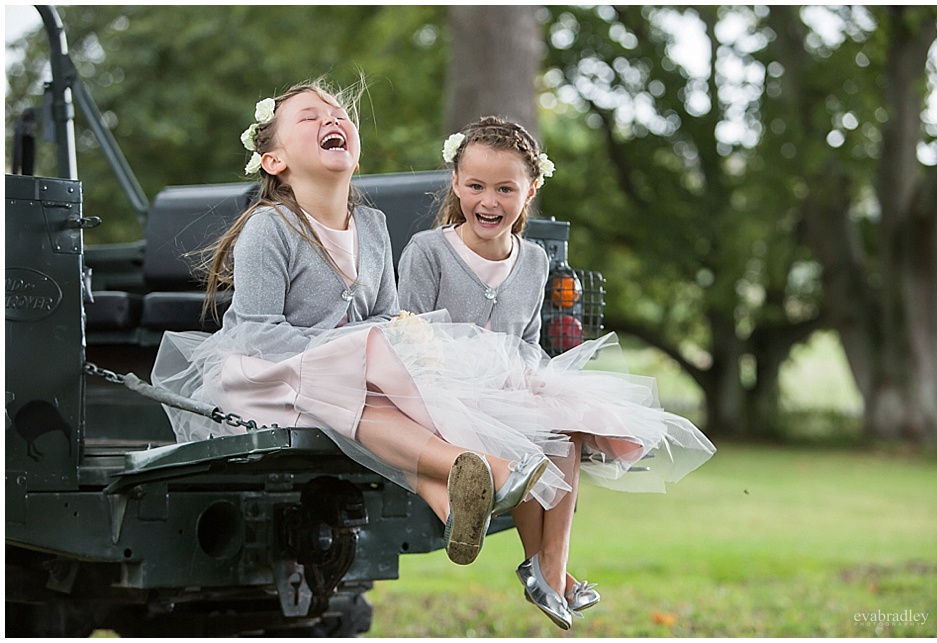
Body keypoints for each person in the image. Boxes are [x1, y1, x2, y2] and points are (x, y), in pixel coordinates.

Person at [150, 81, 566, 568]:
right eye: (309, 117)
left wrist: (387, 342)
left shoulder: (371, 227)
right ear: (274, 161)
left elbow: (386, 314)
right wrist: (351, 346)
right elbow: (258, 333)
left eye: (339, 114)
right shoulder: (270, 227)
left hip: (343, 384)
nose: (331, 119)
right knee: (365, 375)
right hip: (264, 380)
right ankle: (480, 468)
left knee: (383, 384)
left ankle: (453, 502)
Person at [397, 116, 717, 629]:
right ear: (455, 183)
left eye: (505, 188)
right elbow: (407, 335)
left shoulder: (535, 260)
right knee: (533, 428)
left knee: (560, 422)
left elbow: (524, 343)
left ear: (530, 190)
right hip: (441, 394)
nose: (488, 201)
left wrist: (529, 378)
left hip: (504, 387)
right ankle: (552, 574)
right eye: (475, 186)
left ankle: (551, 566)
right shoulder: (429, 251)